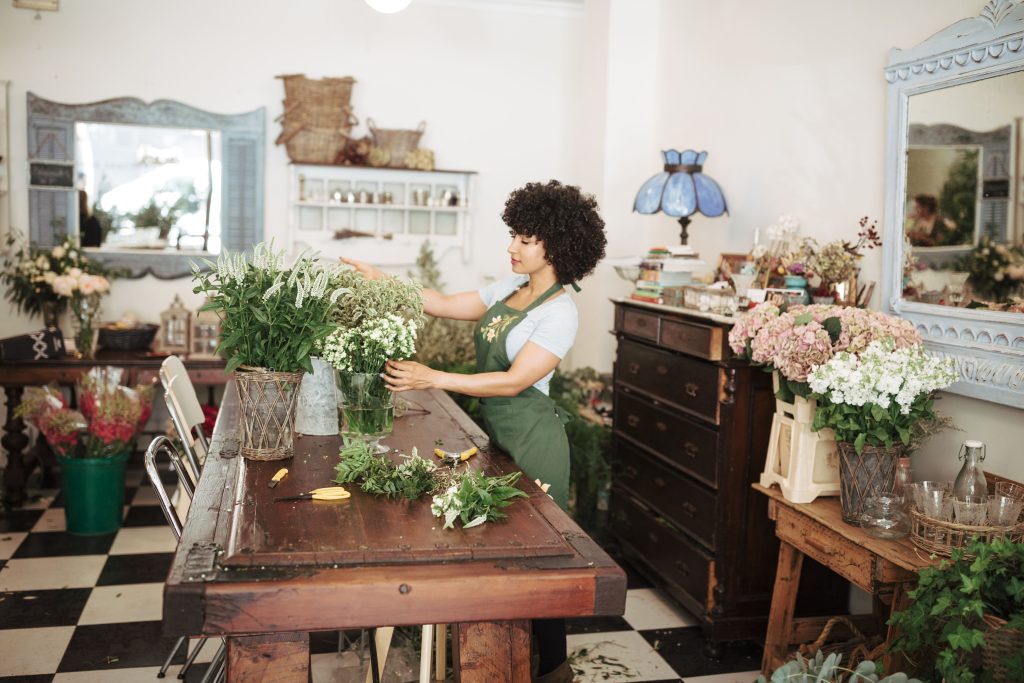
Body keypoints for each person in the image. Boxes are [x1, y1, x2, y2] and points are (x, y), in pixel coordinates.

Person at [342, 179, 607, 683]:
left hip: (536, 446)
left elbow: (513, 382)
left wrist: (432, 377)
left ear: (559, 245)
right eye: (514, 235)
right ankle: (497, 659)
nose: (512, 247)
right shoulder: (511, 288)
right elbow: (441, 302)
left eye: (526, 240)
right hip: (503, 441)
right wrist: (382, 280)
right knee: (506, 558)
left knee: (542, 565)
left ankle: (553, 671)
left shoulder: (558, 312)